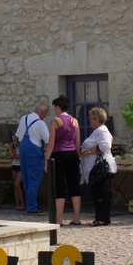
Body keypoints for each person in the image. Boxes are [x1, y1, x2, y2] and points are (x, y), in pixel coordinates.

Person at [47, 95, 83, 226]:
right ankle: (77, 217)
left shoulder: (54, 121)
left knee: (59, 187)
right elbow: (77, 143)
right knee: (74, 186)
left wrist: (46, 160)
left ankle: (59, 219)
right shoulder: (75, 121)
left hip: (59, 155)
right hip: (72, 155)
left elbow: (51, 144)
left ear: (58, 107)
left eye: (54, 107)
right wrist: (78, 156)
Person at [79, 106, 116, 226]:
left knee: (101, 193)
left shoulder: (102, 131)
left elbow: (105, 147)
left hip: (100, 167)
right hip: (94, 167)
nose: (90, 121)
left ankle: (102, 218)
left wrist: (89, 151)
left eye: (91, 118)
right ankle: (100, 217)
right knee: (98, 192)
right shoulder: (97, 131)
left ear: (97, 119)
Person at [14, 100, 50, 214]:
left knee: (26, 178)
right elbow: (48, 141)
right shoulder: (40, 123)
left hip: (23, 148)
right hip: (33, 150)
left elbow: (17, 137)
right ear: (42, 111)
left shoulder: (24, 118)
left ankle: (30, 203)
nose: (46, 116)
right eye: (46, 113)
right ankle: (32, 206)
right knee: (34, 178)